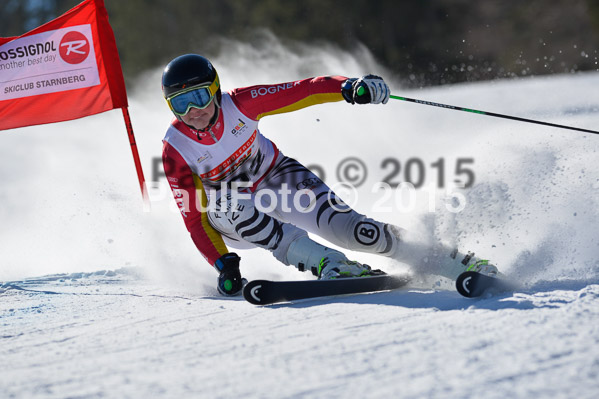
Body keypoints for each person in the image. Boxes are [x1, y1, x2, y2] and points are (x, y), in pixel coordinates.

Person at [161, 54, 498, 296]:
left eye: (200, 97)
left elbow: (303, 90)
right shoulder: (176, 149)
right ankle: (329, 263)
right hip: (233, 221)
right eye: (181, 104)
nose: (194, 111)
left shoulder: (241, 104)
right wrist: (225, 265)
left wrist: (348, 88)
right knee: (227, 203)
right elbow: (195, 220)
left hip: (278, 178)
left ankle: (453, 261)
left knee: (354, 230)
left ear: (215, 89)